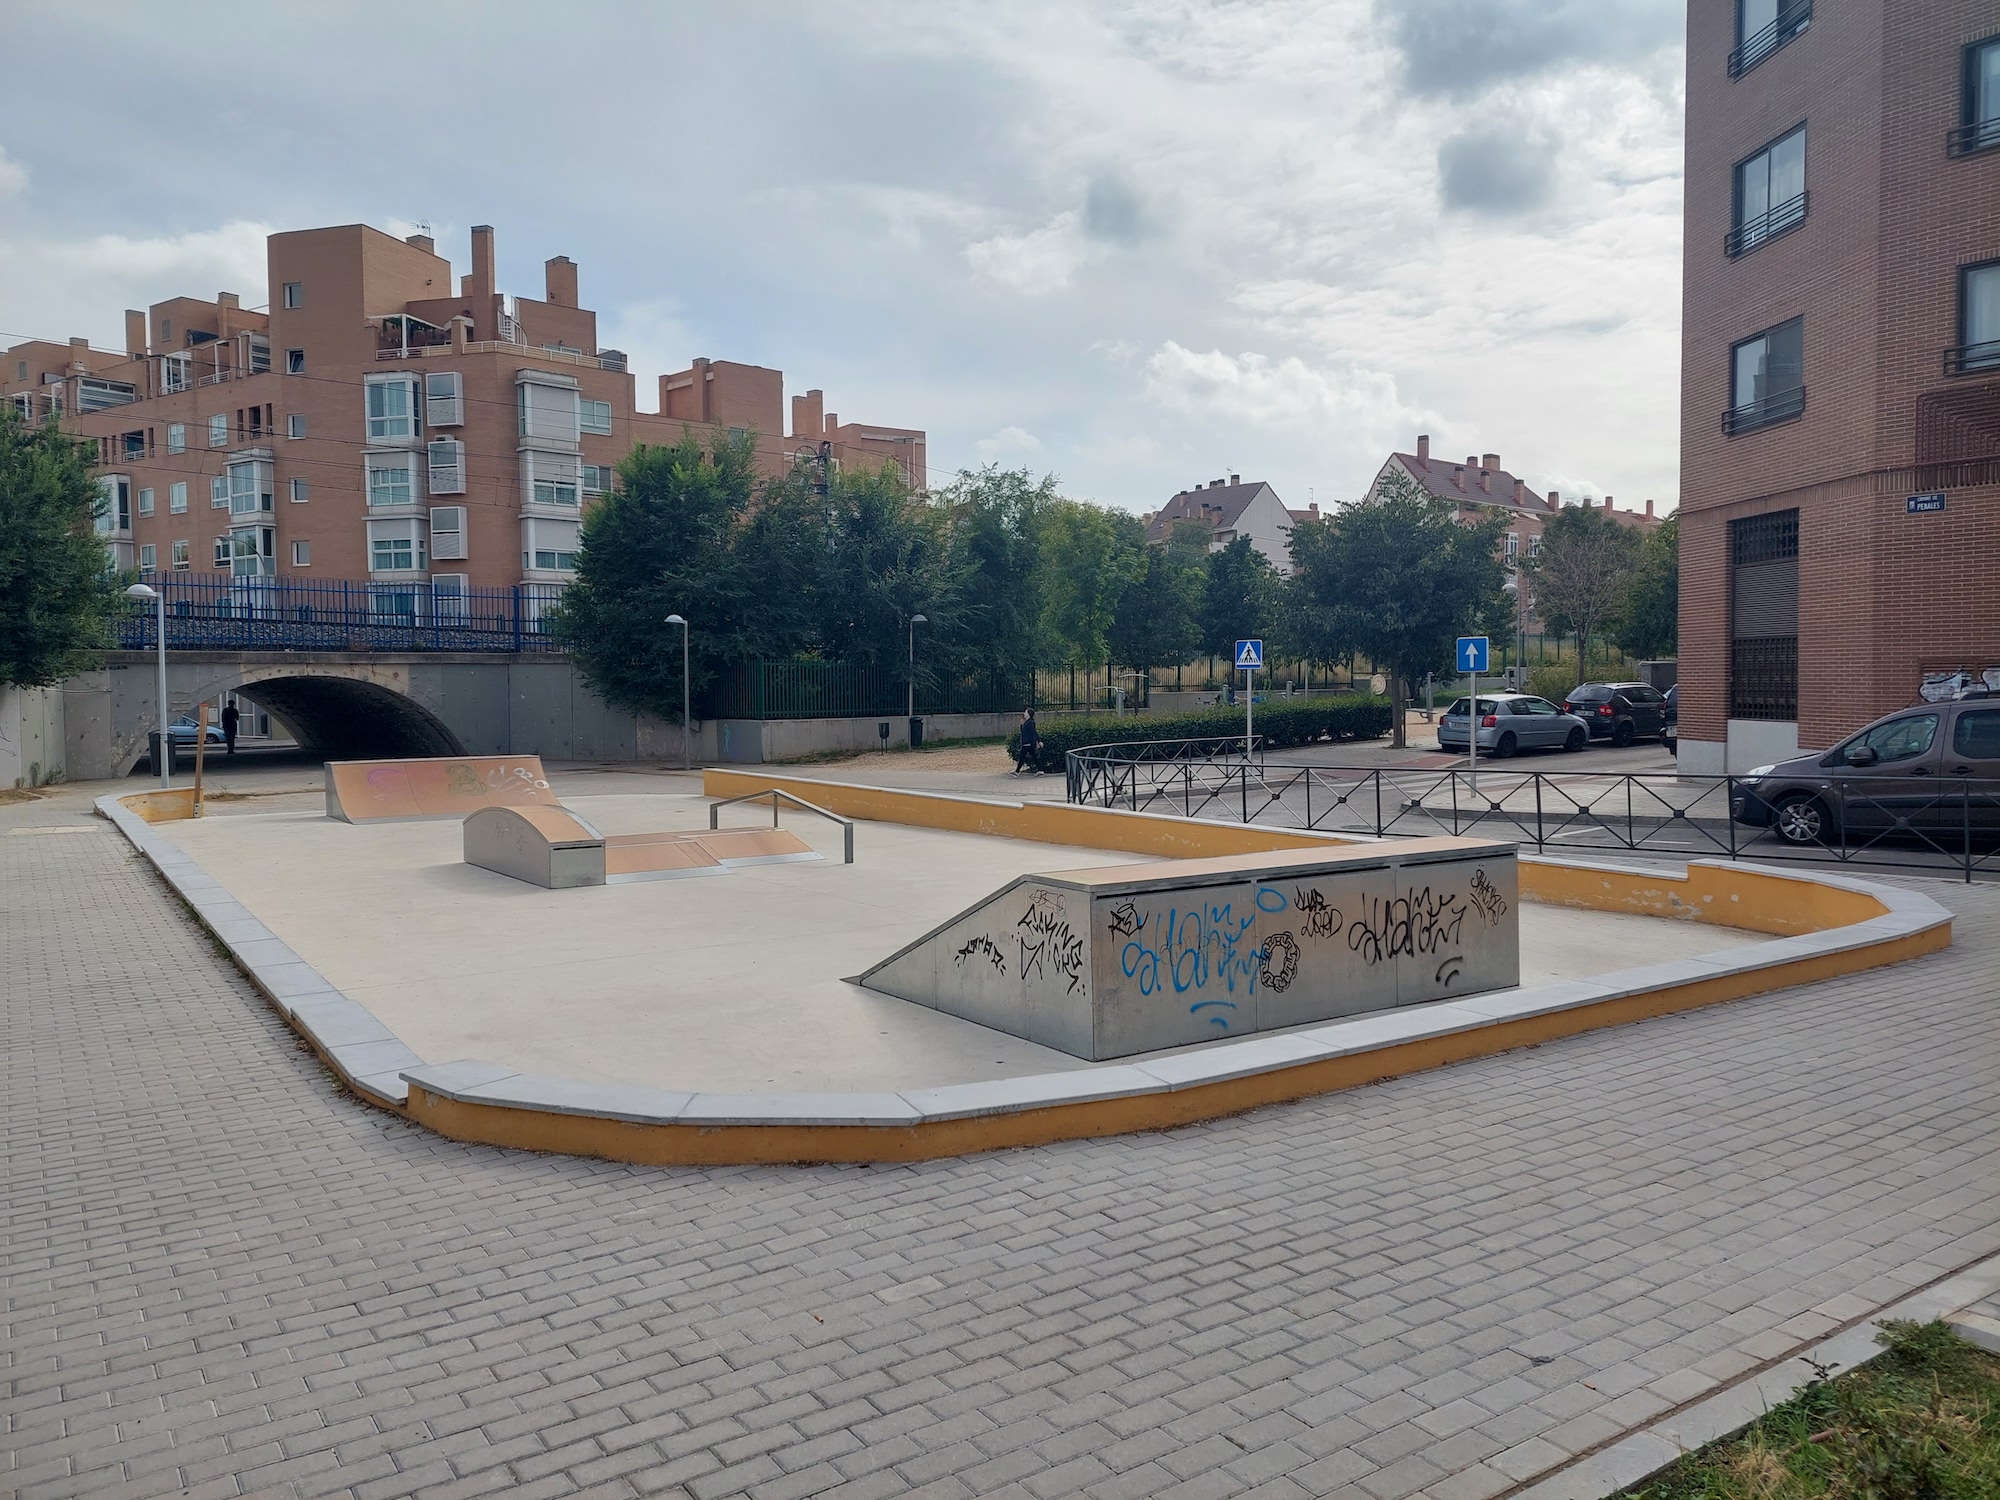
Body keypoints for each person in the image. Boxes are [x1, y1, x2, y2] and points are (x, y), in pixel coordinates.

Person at [1013, 709, 1041, 775]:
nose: (1024, 713)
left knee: (1022, 757)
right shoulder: (1027, 722)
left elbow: (1034, 732)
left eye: (1025, 712)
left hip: (1027, 743)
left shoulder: (1030, 722)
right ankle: (1040, 769)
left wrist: (1039, 741)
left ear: (1028, 714)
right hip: (1027, 742)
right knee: (1033, 757)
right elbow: (1023, 732)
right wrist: (1022, 725)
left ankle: (1017, 771)